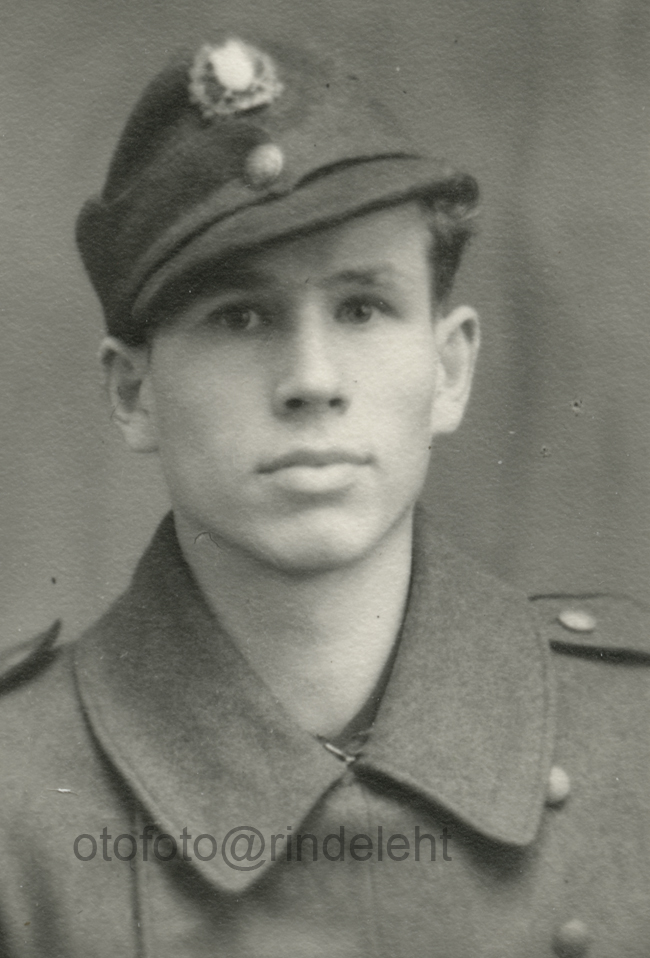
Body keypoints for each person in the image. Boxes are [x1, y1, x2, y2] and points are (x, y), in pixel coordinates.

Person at [0, 33, 648, 958]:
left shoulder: (634, 735)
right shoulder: (17, 797)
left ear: (449, 368)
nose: (312, 379)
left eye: (361, 308)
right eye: (240, 316)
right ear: (134, 392)